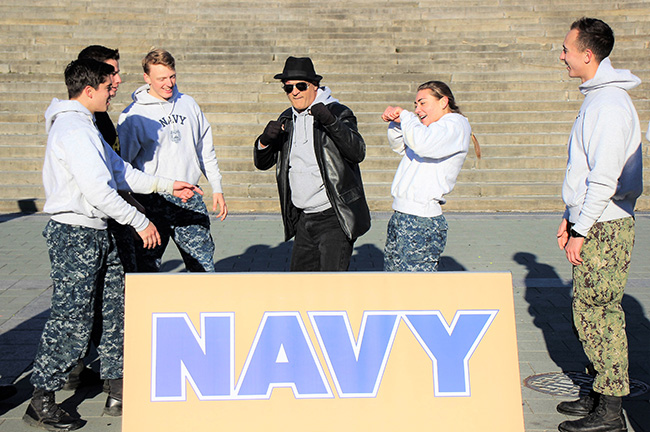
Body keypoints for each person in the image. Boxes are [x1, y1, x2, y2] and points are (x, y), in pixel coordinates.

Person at [24, 58, 200, 430]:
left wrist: (168, 185)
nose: (115, 87)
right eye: (108, 84)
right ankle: (41, 397)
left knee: (110, 310)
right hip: (76, 234)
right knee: (71, 317)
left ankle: (114, 383)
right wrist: (140, 221)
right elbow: (99, 190)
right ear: (89, 90)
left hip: (95, 231)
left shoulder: (85, 125)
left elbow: (120, 171)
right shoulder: (73, 128)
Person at [555, 17, 643, 432]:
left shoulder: (608, 105)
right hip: (595, 221)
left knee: (599, 313)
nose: (562, 55)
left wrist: (582, 228)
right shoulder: (598, 98)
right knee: (588, 311)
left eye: (567, 49)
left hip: (605, 226)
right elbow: (585, 172)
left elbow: (604, 178)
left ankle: (610, 412)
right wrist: (570, 217)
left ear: (587, 55)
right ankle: (598, 391)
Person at [253, 56, 371, 271]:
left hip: (333, 216)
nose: (294, 92)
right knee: (301, 286)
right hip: (303, 219)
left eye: (300, 86)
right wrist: (264, 141)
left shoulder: (338, 112)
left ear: (315, 86)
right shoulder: (286, 119)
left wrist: (331, 122)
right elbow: (262, 163)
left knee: (330, 289)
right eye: (288, 88)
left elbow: (357, 152)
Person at [117, 49, 227, 273]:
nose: (169, 83)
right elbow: (123, 166)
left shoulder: (188, 104)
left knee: (203, 265)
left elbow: (205, 148)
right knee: (145, 268)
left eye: (172, 76)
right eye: (161, 79)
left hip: (188, 196)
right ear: (147, 78)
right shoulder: (133, 116)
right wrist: (130, 202)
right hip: (151, 200)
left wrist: (217, 187)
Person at [381, 81, 477, 271]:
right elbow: (399, 145)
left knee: (416, 290)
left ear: (443, 102)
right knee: (394, 284)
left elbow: (422, 145)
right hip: (402, 214)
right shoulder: (431, 129)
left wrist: (406, 116)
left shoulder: (455, 125)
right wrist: (397, 122)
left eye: (423, 103)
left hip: (421, 220)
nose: (417, 110)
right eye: (415, 105)